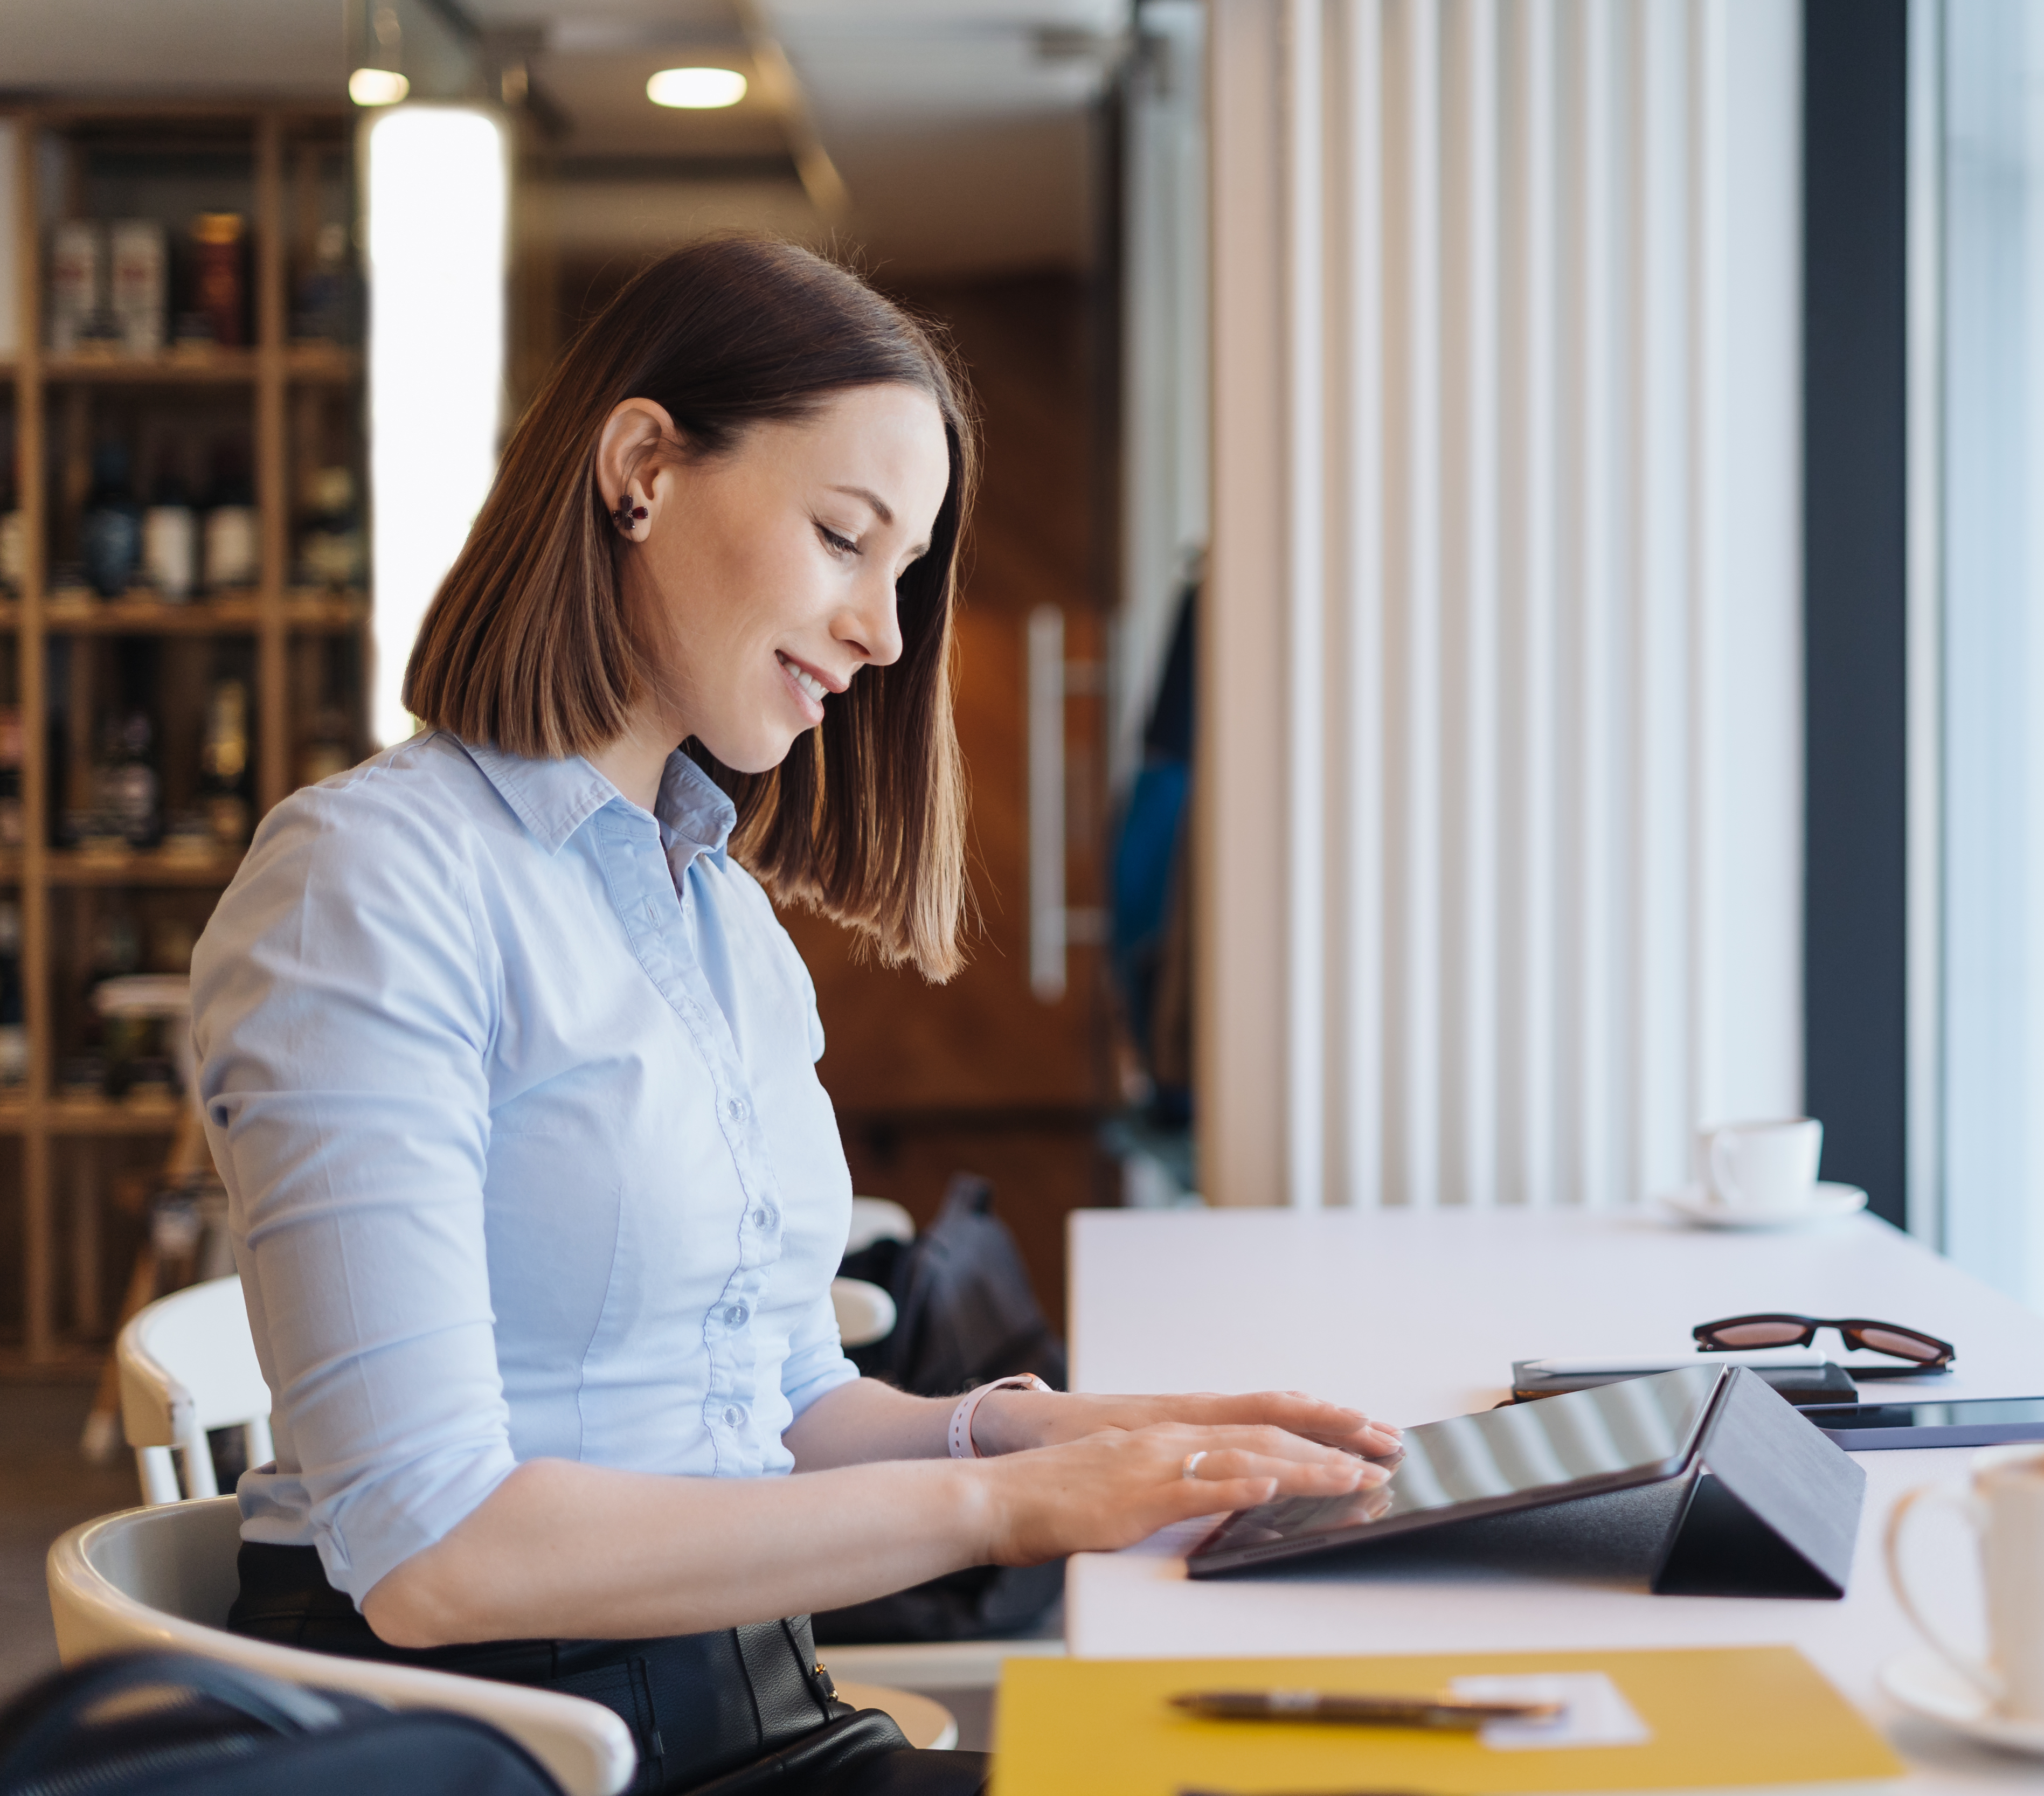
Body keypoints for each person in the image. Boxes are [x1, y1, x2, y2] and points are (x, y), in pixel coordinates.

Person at [190, 237, 1395, 1795]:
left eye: (905, 573)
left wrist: (1061, 1441)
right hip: (505, 1753)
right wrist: (1007, 1512)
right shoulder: (366, 885)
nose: (888, 633)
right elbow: (436, 1552)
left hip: (749, 1717)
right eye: (847, 539)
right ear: (641, 469)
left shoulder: (718, 916)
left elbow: (772, 1403)